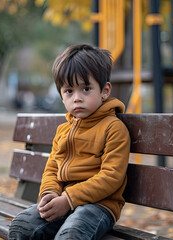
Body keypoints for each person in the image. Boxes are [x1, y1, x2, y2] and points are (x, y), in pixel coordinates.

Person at [8, 44, 130, 240]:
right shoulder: (63, 130)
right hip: (62, 201)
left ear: (105, 90)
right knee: (21, 227)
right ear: (61, 95)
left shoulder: (113, 128)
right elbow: (52, 168)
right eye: (69, 91)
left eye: (86, 88)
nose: (77, 98)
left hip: (99, 206)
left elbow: (111, 177)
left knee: (71, 235)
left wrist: (69, 199)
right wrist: (50, 193)